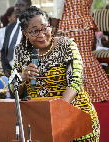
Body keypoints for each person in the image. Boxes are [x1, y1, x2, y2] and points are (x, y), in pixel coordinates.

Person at [11, 6, 100, 141]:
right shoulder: (21, 51)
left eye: (44, 28)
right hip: (39, 121)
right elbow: (15, 89)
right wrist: (23, 78)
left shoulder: (66, 45)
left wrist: (58, 112)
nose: (41, 35)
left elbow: (75, 82)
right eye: (34, 31)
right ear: (25, 33)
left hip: (73, 115)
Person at [51, 0, 109, 102]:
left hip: (69, 25)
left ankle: (75, 93)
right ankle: (100, 92)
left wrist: (53, 27)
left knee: (72, 59)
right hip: (86, 25)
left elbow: (57, 10)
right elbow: (91, 9)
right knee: (86, 57)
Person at [1, 0, 32, 77]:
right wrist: (6, 68)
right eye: (16, 5)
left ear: (29, 8)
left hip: (28, 73)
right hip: (11, 74)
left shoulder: (33, 26)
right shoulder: (10, 27)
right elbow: (4, 50)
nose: (17, 8)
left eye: (21, 5)